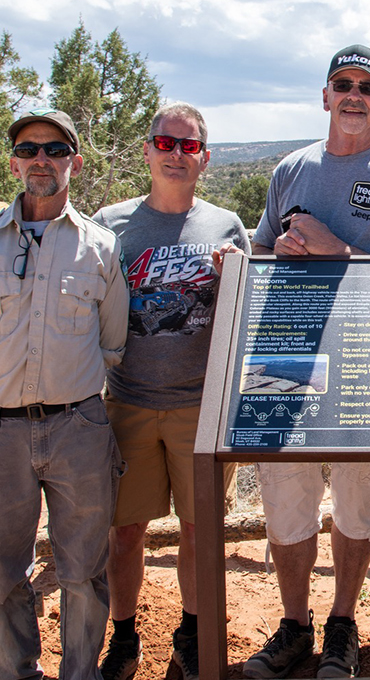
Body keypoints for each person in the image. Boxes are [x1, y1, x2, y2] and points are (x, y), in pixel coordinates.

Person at [243, 44, 370, 679]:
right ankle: (294, 625)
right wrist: (264, 259)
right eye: (342, 83)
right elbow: (265, 256)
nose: (354, 95)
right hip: (283, 353)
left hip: (364, 360)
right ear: (325, 95)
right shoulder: (290, 170)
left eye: (366, 86)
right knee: (286, 498)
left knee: (356, 500)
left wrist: (336, 249)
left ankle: (343, 624)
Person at [0, 108, 128, 680]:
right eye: (30, 149)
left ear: (74, 161)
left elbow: (112, 344)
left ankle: (80, 675)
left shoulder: (101, 247)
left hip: (78, 427)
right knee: (1, 573)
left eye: (55, 149)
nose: (41, 159)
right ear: (14, 161)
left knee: (84, 570)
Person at [91, 103, 252, 680]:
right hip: (127, 400)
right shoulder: (109, 225)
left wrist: (235, 271)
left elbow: (246, 310)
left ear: (204, 158)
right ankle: (125, 635)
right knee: (124, 529)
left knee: (196, 529)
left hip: (200, 407)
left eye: (188, 147)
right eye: (166, 143)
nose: (176, 155)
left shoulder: (226, 225)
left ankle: (190, 631)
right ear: (148, 150)